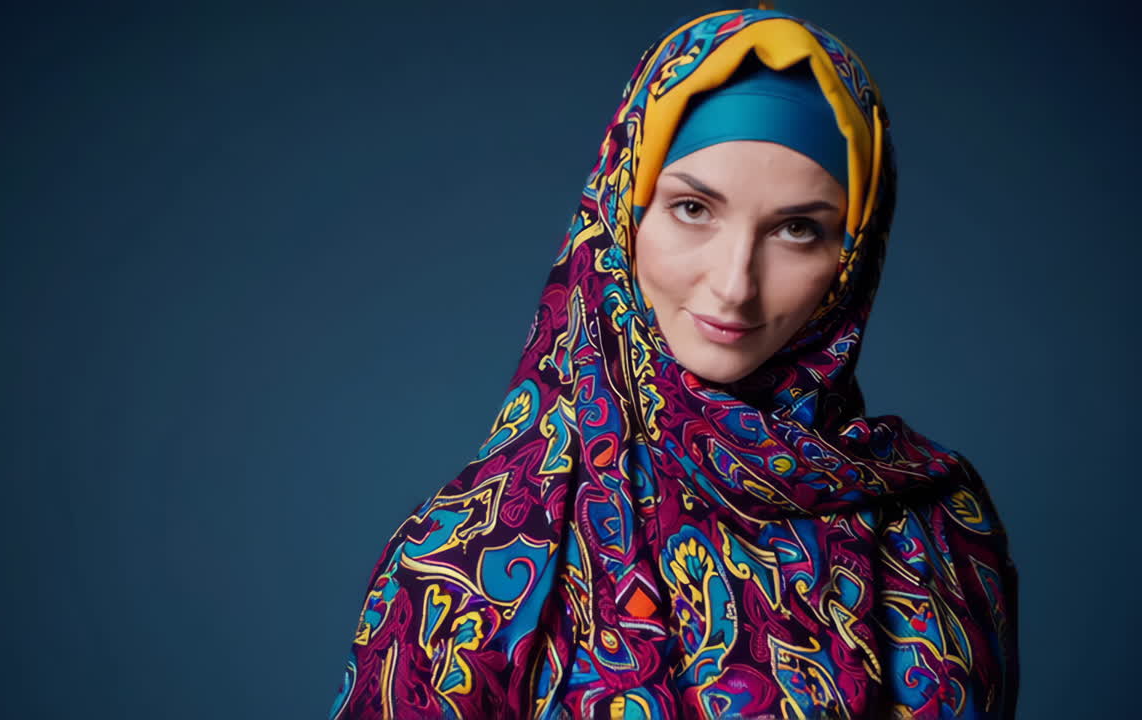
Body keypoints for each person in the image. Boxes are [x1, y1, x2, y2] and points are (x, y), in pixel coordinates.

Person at [329, 6, 1019, 719]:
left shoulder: (940, 522)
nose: (734, 284)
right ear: (624, 211)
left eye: (797, 229)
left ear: (852, 257)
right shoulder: (467, 553)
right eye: (694, 208)